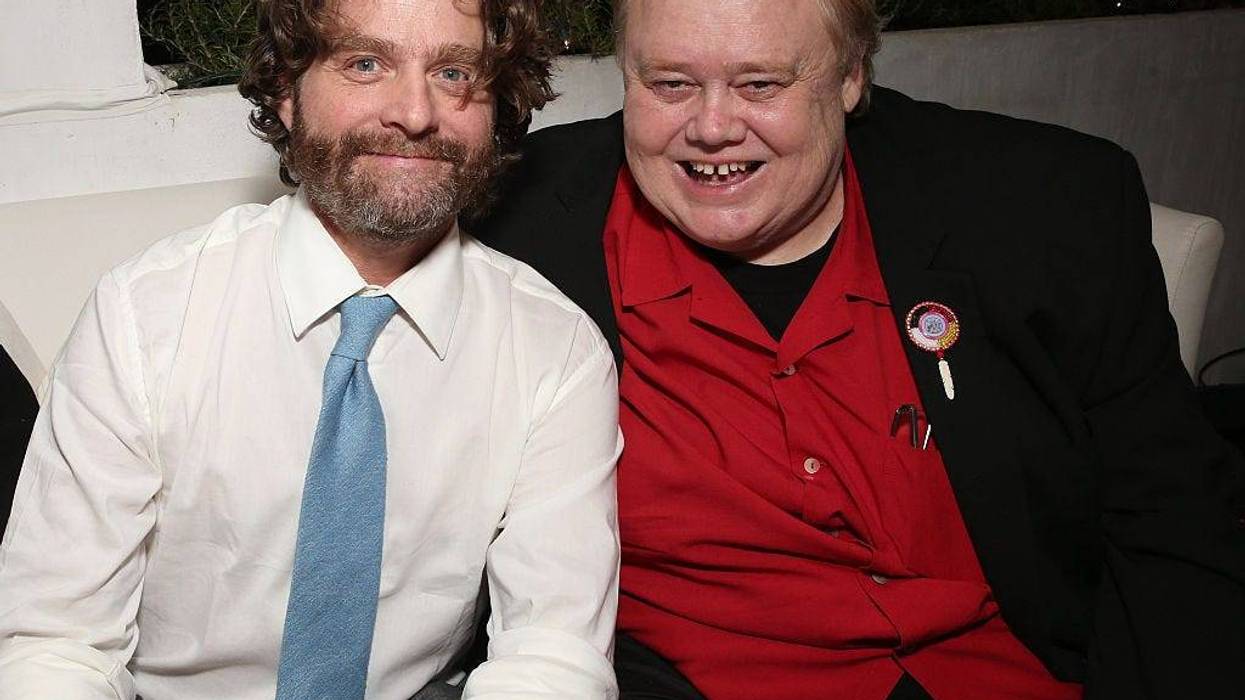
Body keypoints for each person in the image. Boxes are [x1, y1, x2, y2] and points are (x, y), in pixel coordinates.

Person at [474, 0, 1245, 698]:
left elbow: (1171, 526)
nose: (711, 127)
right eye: (670, 84)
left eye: (760, 85)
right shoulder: (521, 222)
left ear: (849, 75)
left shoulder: (1043, 213)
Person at [0, 0, 622, 698]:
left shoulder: (554, 349)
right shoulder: (145, 317)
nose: (414, 113)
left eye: (454, 73)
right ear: (287, 92)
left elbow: (550, 655)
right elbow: (57, 644)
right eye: (365, 63)